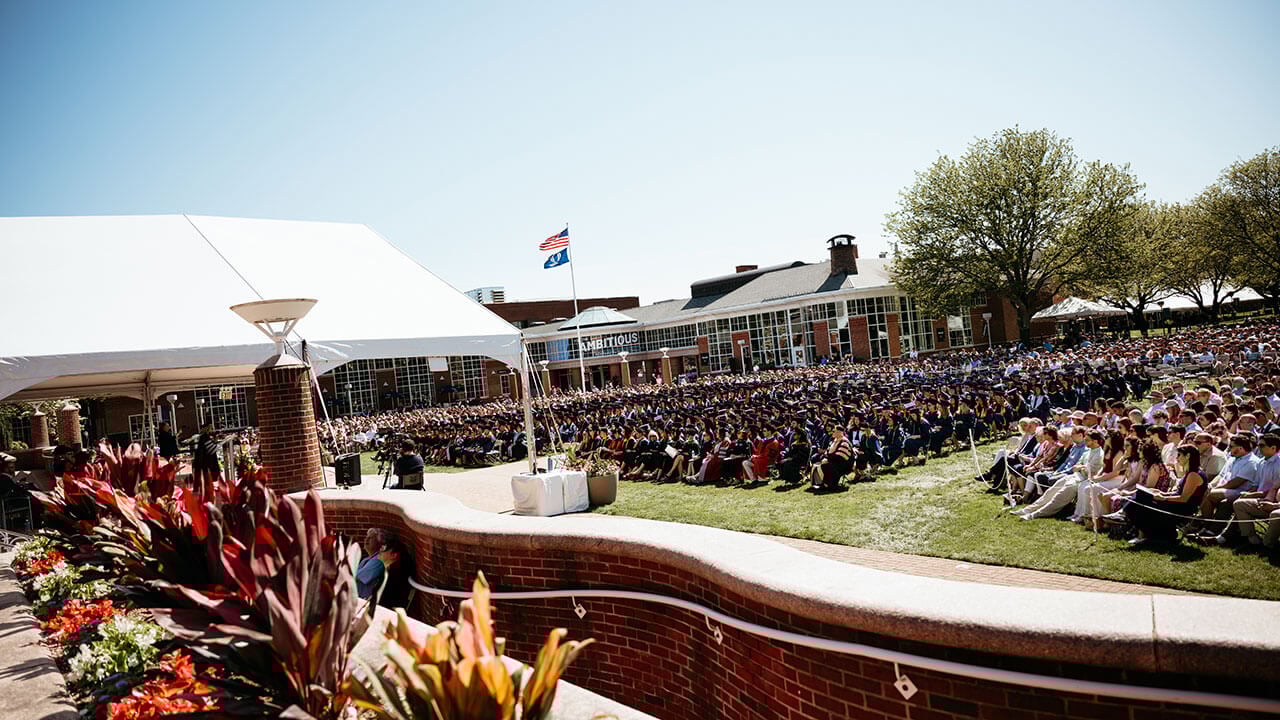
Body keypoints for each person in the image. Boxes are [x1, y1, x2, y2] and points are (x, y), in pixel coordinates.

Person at [1123, 444, 1207, 546]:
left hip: (1182, 508)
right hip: (1175, 504)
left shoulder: (1194, 475)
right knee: (1141, 495)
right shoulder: (1190, 472)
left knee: (1139, 501)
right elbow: (1179, 493)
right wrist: (1163, 493)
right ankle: (1154, 534)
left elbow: (1184, 499)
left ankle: (1151, 534)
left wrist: (1163, 498)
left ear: (1188, 456)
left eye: (1179, 455)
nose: (1177, 458)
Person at [356, 528, 394, 601]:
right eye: (366, 537)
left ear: (380, 543)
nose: (366, 540)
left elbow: (358, 576)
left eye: (370, 538)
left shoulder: (378, 561)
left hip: (365, 602)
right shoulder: (367, 559)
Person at [810, 426, 852, 490]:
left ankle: (829, 484)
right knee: (817, 463)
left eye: (834, 431)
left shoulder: (844, 442)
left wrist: (828, 460)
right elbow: (827, 452)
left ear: (839, 432)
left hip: (843, 464)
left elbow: (840, 457)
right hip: (834, 461)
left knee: (826, 466)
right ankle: (819, 483)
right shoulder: (833, 441)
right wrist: (824, 457)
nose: (832, 433)